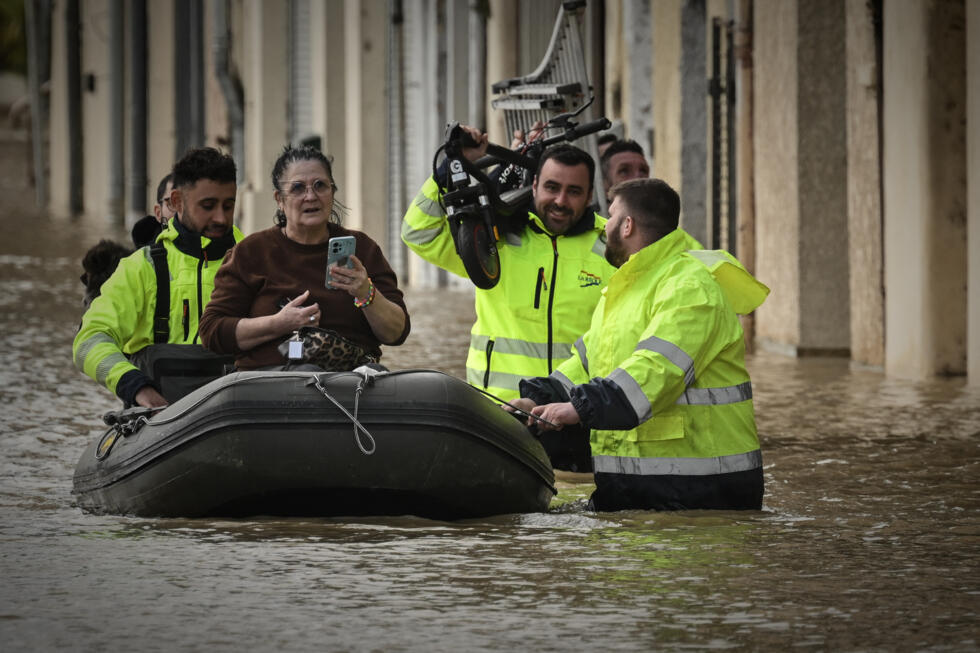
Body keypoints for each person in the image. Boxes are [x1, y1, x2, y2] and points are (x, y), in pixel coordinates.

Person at [508, 178, 769, 511]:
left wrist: (578, 409)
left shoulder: (690, 286)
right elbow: (586, 365)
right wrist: (537, 401)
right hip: (637, 489)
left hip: (700, 492)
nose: (604, 227)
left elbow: (656, 371)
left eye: (612, 217)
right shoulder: (626, 288)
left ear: (627, 225)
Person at [402, 124, 617, 405]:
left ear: (590, 196)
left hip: (578, 410)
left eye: (574, 191)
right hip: (499, 410)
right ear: (536, 184)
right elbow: (419, 233)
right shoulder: (495, 239)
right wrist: (450, 170)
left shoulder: (612, 244)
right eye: (552, 188)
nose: (560, 201)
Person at [199, 145, 410, 371]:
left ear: (332, 192)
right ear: (279, 199)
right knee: (308, 373)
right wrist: (279, 324)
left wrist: (366, 293)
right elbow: (212, 331)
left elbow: (397, 333)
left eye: (320, 186)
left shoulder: (363, 249)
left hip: (352, 382)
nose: (311, 196)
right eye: (298, 188)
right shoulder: (250, 252)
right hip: (269, 384)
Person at [73, 147, 243, 408]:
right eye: (208, 206)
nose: (220, 217)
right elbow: (89, 340)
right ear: (176, 202)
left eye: (228, 205)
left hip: (241, 417)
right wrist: (136, 386)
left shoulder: (256, 260)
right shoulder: (140, 268)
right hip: (158, 422)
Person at [131, 173, 176, 248]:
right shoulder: (143, 258)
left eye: (189, 204)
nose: (183, 212)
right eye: (173, 203)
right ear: (158, 212)